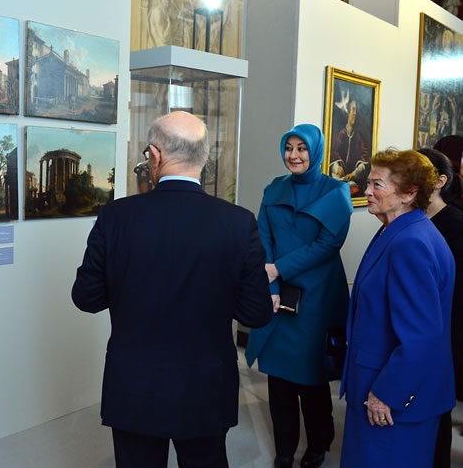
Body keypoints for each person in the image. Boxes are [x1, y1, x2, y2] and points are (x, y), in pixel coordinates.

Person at [71, 111, 273, 468]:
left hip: (134, 382)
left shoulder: (115, 216)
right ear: (204, 158)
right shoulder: (238, 223)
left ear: (155, 154)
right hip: (206, 385)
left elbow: (86, 299)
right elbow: (254, 313)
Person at [245, 124, 353, 468]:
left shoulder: (336, 191)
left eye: (302, 149)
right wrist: (272, 286)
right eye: (289, 148)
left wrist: (280, 269)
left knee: (311, 377)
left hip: (317, 297)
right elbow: (262, 239)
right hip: (277, 294)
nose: (294, 155)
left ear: (315, 151)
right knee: (278, 379)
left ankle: (319, 443)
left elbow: (327, 245)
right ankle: (284, 449)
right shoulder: (274, 188)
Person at [340, 149, 456, 467]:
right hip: (382, 383)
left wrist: (388, 393)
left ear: (408, 193)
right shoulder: (397, 229)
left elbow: (422, 336)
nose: (366, 191)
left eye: (377, 185)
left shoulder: (411, 243)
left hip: (392, 396)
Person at [418, 148, 463, 468]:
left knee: (436, 406)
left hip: (447, 329)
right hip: (416, 328)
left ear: (440, 181)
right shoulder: (410, 218)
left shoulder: (456, 224)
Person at [330, 99, 370, 195]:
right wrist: (338, 168)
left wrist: (354, 174)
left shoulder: (358, 136)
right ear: (347, 112)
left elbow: (364, 157)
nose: (355, 113)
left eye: (356, 110)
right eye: (353, 110)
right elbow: (334, 153)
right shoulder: (340, 134)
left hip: (353, 182)